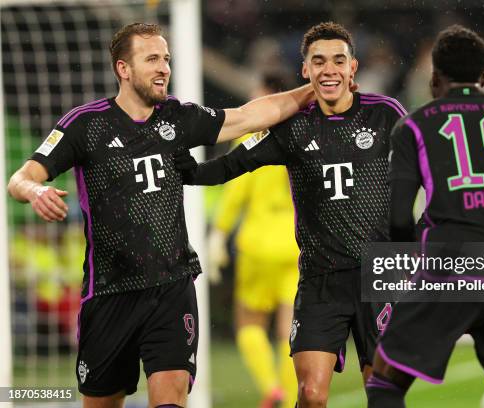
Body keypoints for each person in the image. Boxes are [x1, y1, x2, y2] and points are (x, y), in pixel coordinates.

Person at [7, 22, 314, 408]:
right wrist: (36, 190)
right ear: (123, 68)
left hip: (171, 286)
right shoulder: (85, 125)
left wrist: (312, 88)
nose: (164, 68)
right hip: (109, 293)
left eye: (166, 59)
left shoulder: (177, 118)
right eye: (152, 59)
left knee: (170, 396)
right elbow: (21, 178)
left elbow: (249, 116)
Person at [176, 21, 405, 407]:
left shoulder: (385, 115)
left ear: (353, 68)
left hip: (377, 275)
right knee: (311, 395)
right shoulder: (292, 126)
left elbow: (426, 167)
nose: (328, 69)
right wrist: (182, 170)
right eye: (318, 61)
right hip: (321, 278)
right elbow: (234, 165)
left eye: (338, 60)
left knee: (382, 392)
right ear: (305, 71)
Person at [365, 25, 484, 408]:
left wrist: (409, 265)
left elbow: (399, 215)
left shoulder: (415, 125)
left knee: (386, 379)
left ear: (434, 77)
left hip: (447, 267)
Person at [208, 70, 300, 408]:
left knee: (249, 322)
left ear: (267, 95)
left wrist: (218, 235)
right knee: (291, 329)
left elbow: (235, 192)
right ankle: (292, 400)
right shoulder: (301, 132)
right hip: (296, 243)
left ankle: (270, 387)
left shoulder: (252, 137)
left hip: (258, 244)